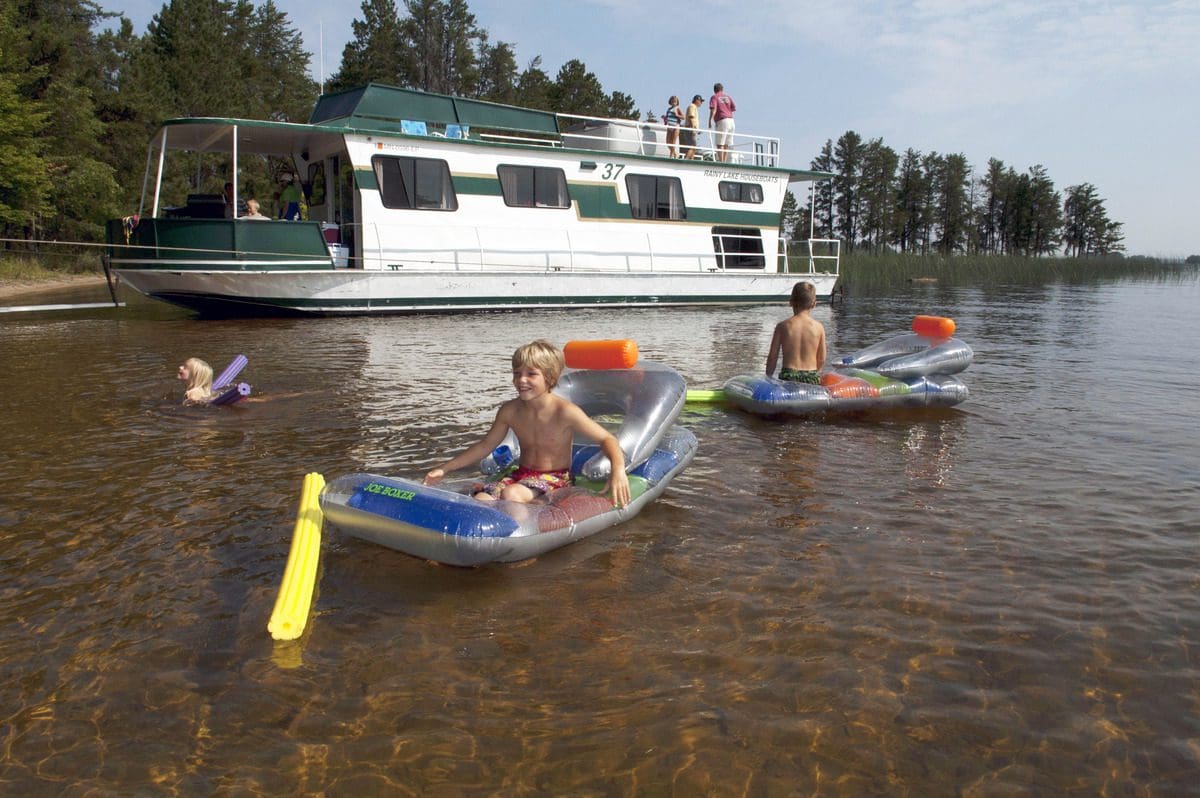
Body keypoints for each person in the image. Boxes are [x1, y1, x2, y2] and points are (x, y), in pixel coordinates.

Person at [424, 340, 631, 507]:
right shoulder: (510, 410)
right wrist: (445, 469)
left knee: (512, 493)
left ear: (549, 378)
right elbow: (485, 446)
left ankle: (524, 556)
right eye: (517, 373)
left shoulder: (564, 411)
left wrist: (618, 471)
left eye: (531, 374)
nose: (521, 380)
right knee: (482, 500)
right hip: (520, 475)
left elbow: (607, 438)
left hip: (556, 479)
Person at [765, 282, 827, 384]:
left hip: (789, 376)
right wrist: (817, 375)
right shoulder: (819, 327)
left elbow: (772, 357)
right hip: (811, 377)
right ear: (814, 304)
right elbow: (822, 359)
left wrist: (768, 378)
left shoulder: (782, 326)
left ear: (791, 302)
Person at [708, 82, 737, 163]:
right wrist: (726, 110)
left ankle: (721, 162)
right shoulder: (728, 97)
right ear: (722, 89)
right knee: (726, 144)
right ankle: (724, 161)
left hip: (722, 121)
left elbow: (713, 109)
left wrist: (710, 120)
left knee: (720, 144)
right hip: (731, 121)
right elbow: (734, 108)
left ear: (714, 90)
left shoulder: (714, 97)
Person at [682, 94, 703, 159]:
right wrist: (693, 129)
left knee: (693, 147)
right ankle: (686, 161)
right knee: (692, 146)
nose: (701, 103)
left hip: (690, 128)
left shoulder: (693, 107)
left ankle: (691, 160)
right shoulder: (692, 106)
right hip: (690, 128)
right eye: (701, 101)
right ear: (697, 100)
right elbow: (691, 117)